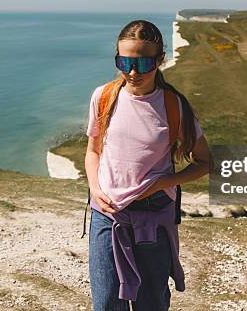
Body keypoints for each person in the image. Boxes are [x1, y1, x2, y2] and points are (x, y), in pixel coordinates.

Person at [84, 20, 212, 311]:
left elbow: (205, 162)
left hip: (153, 214)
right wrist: (94, 187)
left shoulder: (174, 105)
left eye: (143, 63)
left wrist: (160, 184)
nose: (132, 72)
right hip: (107, 214)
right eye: (124, 61)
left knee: (151, 303)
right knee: (105, 304)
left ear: (160, 61)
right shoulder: (103, 97)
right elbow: (93, 151)